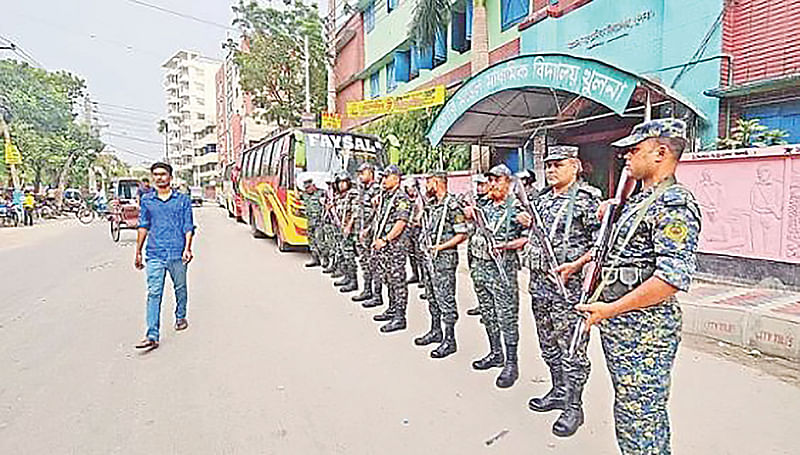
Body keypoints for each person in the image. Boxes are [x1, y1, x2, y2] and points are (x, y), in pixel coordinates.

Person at [559, 119, 701, 453]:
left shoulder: (674, 203)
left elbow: (671, 279)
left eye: (634, 150)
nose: (625, 157)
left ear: (661, 153)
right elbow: (615, 252)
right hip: (621, 326)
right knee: (628, 410)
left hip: (645, 331)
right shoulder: (639, 201)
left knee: (642, 418)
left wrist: (611, 309)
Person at [517, 145, 602, 437]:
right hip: (539, 284)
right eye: (548, 165)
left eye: (558, 165)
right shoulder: (541, 200)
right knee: (548, 343)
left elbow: (600, 246)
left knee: (573, 349)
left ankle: (574, 407)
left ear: (575, 166)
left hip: (569, 289)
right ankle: (558, 390)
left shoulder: (588, 200)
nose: (551, 170)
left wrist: (576, 264)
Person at [466, 164, 527, 388]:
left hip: (502, 270)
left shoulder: (518, 208)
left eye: (497, 180)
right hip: (480, 267)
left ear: (509, 183)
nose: (492, 185)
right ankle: (495, 352)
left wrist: (506, 246)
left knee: (506, 316)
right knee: (487, 313)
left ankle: (511, 363)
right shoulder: (486, 206)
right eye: (490, 180)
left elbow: (528, 238)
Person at [134, 162, 195, 351]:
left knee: (180, 287)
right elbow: (143, 225)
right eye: (156, 175)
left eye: (163, 174)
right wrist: (137, 251)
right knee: (154, 293)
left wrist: (188, 248)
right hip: (155, 253)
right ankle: (152, 334)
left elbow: (188, 226)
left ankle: (180, 315)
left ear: (170, 177)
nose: (159, 177)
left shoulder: (182, 200)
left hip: (177, 252)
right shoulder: (147, 200)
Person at [414, 171, 467, 358]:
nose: (426, 185)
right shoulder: (432, 205)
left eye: (428, 181)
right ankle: (436, 330)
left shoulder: (452, 205)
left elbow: (461, 234)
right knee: (432, 296)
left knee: (446, 299)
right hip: (429, 258)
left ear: (437, 182)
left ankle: (450, 339)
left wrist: (441, 246)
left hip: (444, 259)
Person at [371, 164, 411, 333]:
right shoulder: (386, 196)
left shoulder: (401, 198)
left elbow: (401, 222)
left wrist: (386, 240)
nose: (383, 180)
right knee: (387, 278)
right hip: (384, 245)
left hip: (395, 246)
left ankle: (400, 317)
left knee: (397, 280)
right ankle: (392, 308)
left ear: (396, 178)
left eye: (386, 177)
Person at [352, 163, 383, 307]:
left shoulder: (376, 189)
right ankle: (367, 290)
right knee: (364, 263)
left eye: (362, 173)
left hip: (370, 233)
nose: (360, 176)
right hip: (361, 231)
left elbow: (377, 213)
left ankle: (377, 295)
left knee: (374, 264)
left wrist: (368, 229)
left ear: (370, 173)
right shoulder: (362, 189)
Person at [466, 173, 491, 317]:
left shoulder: (490, 202)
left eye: (482, 185)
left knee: (488, 280)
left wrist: (474, 213)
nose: (479, 188)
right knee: (477, 277)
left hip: (487, 247)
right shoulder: (477, 200)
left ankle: (489, 310)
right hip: (474, 243)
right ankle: (482, 305)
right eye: (478, 185)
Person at [333, 172, 360, 293]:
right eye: (340, 182)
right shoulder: (340, 196)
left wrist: (349, 226)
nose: (342, 185)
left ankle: (353, 280)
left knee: (349, 255)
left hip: (350, 230)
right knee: (343, 253)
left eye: (344, 182)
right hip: (341, 227)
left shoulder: (352, 194)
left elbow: (355, 212)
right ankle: (347, 276)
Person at [301, 177, 325, 268]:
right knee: (312, 241)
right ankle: (315, 259)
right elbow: (296, 195)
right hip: (310, 222)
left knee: (321, 242)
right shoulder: (305, 195)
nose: (307, 190)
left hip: (319, 222)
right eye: (306, 188)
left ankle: (325, 260)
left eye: (309, 187)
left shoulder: (321, 193)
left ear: (313, 186)